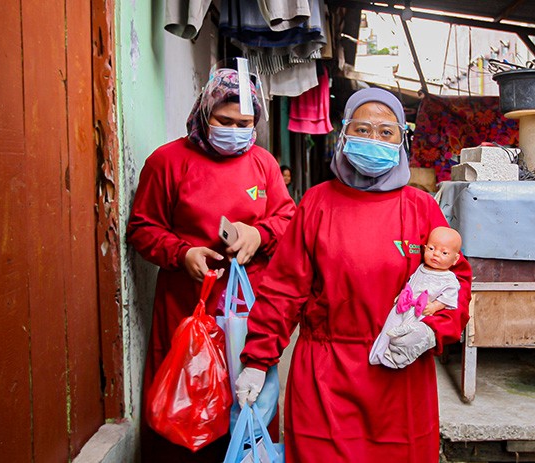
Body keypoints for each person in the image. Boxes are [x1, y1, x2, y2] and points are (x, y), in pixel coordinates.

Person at [234, 87, 472, 462]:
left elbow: (455, 280)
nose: (373, 139)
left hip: (399, 374)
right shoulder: (316, 203)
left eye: (386, 132)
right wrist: (258, 359)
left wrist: (432, 330)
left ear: (401, 140)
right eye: (362, 129)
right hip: (324, 377)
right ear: (343, 134)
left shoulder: (421, 208)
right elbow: (283, 289)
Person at [126, 66, 296, 462]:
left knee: (247, 410)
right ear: (204, 111)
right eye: (225, 121)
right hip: (186, 312)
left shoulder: (263, 165)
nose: (235, 130)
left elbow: (288, 221)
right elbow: (142, 229)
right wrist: (182, 253)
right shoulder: (167, 162)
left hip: (247, 314)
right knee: (184, 416)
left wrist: (259, 234)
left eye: (245, 123)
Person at [369, 226, 463, 369]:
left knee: (404, 337)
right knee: (389, 328)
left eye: (444, 253)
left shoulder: (449, 279)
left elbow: (448, 298)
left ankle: (392, 359)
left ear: (455, 258)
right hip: (403, 305)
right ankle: (378, 352)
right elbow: (411, 282)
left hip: (419, 311)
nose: (436, 254)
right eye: (431, 249)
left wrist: (435, 306)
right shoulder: (421, 268)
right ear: (424, 248)